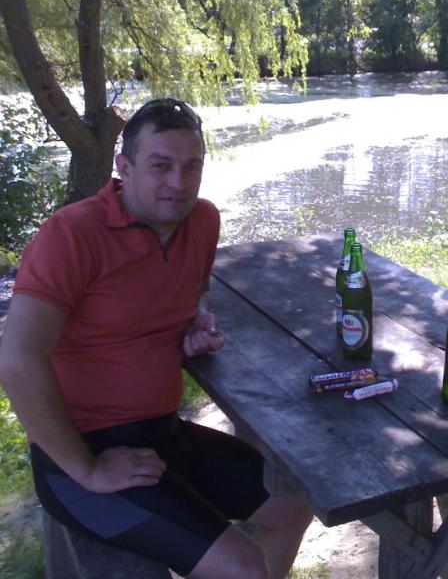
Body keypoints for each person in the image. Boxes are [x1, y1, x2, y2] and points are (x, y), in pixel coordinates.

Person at [0, 99, 313, 579]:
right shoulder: (71, 234)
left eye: (192, 167)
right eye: (161, 165)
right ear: (124, 168)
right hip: (80, 455)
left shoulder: (202, 221)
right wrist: (88, 469)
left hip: (164, 436)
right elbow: (18, 359)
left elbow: (196, 290)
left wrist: (198, 320)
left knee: (294, 503)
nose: (178, 182)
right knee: (244, 564)